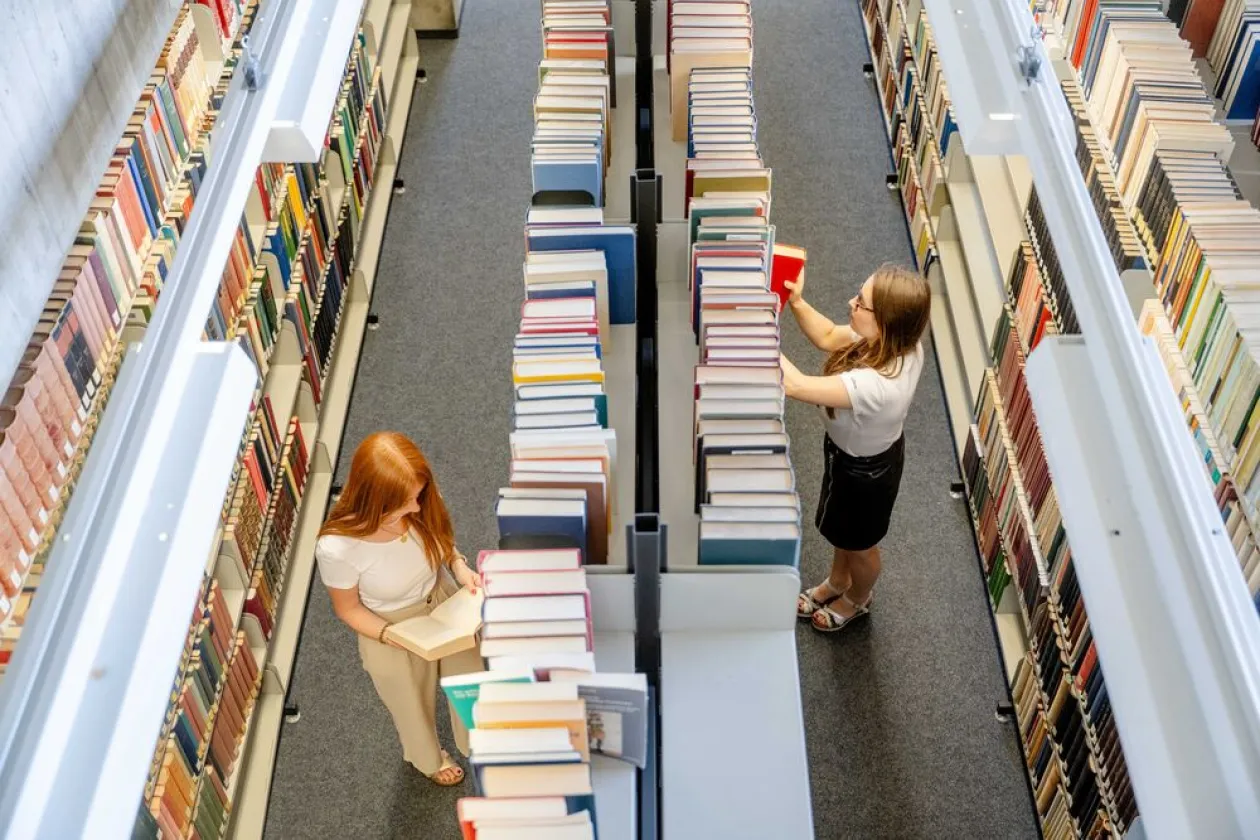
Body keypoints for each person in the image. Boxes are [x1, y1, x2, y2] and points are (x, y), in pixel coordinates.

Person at [315, 431, 484, 785]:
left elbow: (445, 543)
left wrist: (459, 567)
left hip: (442, 598)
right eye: (406, 503)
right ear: (376, 501)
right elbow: (348, 610)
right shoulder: (338, 547)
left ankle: (479, 745)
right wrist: (389, 636)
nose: (418, 508)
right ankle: (428, 758)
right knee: (410, 703)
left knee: (471, 679)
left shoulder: (418, 496)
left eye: (419, 496)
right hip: (389, 625)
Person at [778, 263, 931, 633]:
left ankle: (857, 599)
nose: (851, 302)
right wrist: (796, 302)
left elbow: (796, 386)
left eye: (860, 303)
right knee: (843, 532)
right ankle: (837, 582)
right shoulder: (896, 341)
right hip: (856, 456)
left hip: (866, 473)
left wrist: (754, 329)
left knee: (861, 544)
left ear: (887, 319)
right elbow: (830, 335)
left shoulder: (879, 385)